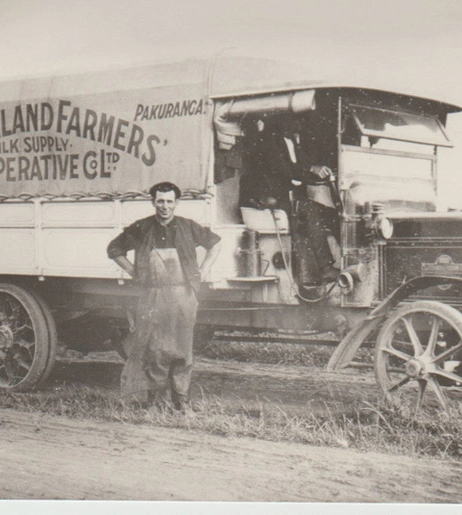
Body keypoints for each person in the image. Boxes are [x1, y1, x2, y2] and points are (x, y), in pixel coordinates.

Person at [107, 181, 221, 410]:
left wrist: (204, 270)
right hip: (152, 295)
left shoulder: (189, 227)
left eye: (170, 201)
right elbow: (114, 249)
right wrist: (134, 271)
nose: (165, 206)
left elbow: (215, 244)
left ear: (176, 203)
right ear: (153, 202)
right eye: (160, 201)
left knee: (182, 348)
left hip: (183, 294)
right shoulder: (142, 227)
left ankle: (181, 401)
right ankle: (157, 403)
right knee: (155, 349)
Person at [240, 116, 340, 284]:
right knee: (310, 210)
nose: (299, 123)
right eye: (294, 119)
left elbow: (301, 167)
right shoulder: (268, 140)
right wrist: (311, 169)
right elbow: (283, 170)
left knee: (332, 214)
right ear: (282, 119)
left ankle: (345, 262)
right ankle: (325, 268)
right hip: (270, 198)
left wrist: (318, 170)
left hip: (286, 196)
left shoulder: (292, 140)